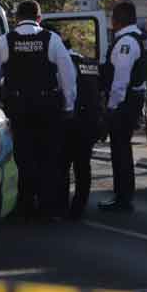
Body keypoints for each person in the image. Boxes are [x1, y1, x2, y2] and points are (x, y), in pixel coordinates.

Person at [0, 0, 77, 220]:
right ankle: (47, 207)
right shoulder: (52, 40)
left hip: (17, 108)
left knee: (21, 157)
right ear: (39, 18)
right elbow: (67, 75)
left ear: (16, 18)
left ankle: (23, 205)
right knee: (47, 156)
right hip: (47, 107)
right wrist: (69, 104)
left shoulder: (5, 41)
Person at [98, 1, 147, 213]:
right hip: (135, 97)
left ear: (116, 20)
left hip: (124, 101)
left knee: (120, 151)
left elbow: (120, 79)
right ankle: (123, 195)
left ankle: (123, 197)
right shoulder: (141, 38)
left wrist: (111, 106)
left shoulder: (125, 42)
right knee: (122, 149)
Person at [61, 40, 104, 220]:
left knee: (62, 164)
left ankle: (62, 205)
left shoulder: (63, 62)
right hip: (91, 120)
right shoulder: (88, 62)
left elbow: (67, 92)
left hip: (73, 119)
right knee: (82, 165)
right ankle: (80, 205)